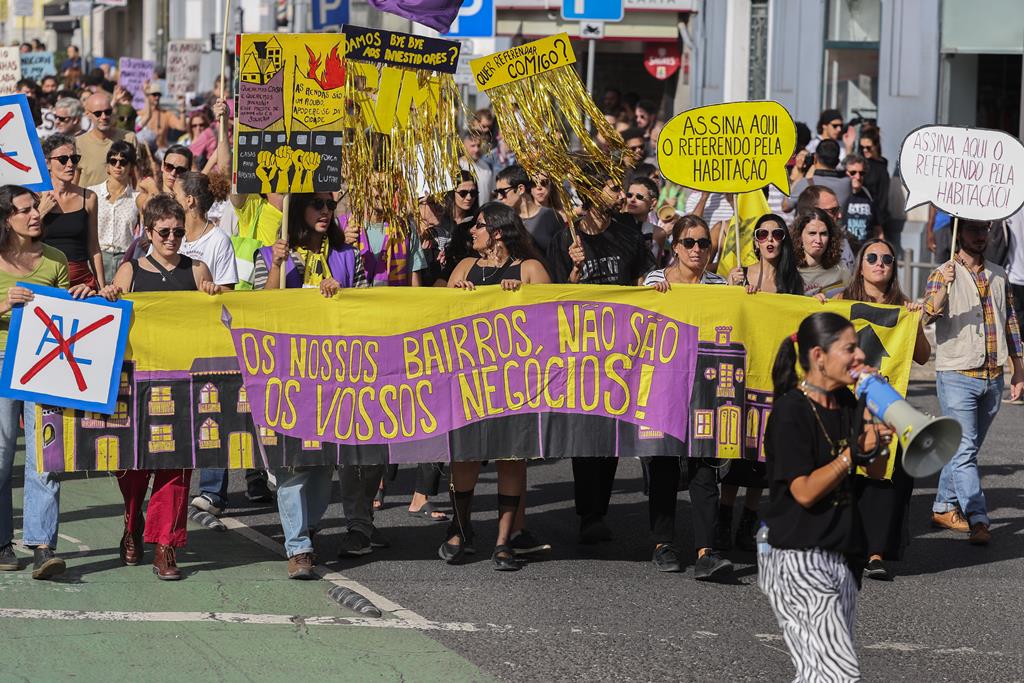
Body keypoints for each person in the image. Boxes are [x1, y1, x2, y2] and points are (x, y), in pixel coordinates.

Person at [759, 311, 894, 682]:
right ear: (819, 356)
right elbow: (802, 491)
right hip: (798, 556)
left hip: (843, 552)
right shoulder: (790, 411)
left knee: (819, 671)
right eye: (849, 349)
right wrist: (853, 451)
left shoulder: (848, 404)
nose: (860, 357)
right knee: (837, 673)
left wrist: (875, 423)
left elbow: (878, 472)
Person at [97, 194, 221, 581]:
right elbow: (111, 311)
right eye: (164, 231)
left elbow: (221, 315)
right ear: (147, 232)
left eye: (179, 231)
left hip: (184, 384)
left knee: (176, 467)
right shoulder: (131, 270)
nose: (172, 238)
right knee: (134, 467)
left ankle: (165, 545)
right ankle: (133, 523)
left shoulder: (197, 268)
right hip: (139, 385)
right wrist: (110, 295)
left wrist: (216, 296)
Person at [253, 192, 366, 579]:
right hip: (285, 373)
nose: (325, 211)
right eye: (317, 204)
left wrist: (344, 297)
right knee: (290, 462)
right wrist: (278, 267)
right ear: (298, 209)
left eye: (329, 206)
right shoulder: (271, 255)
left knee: (321, 464)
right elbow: (259, 308)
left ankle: (306, 527)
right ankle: (298, 547)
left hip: (335, 374)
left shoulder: (349, 256)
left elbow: (371, 310)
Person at [440, 203, 551, 570]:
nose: (472, 231)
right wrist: (456, 296)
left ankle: (504, 540)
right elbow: (437, 317)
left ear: (499, 232)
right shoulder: (465, 267)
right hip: (469, 380)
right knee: (465, 456)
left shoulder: (530, 269)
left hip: (514, 383)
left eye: (479, 226)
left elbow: (554, 320)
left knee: (511, 456)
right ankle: (460, 528)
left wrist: (522, 296)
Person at [549, 163, 652, 545]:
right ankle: (586, 511)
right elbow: (551, 297)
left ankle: (597, 512)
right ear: (592, 192)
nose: (621, 195)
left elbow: (643, 280)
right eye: (613, 188)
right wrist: (574, 271)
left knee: (610, 434)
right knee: (584, 434)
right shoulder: (566, 239)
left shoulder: (629, 234)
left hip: (620, 352)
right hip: (579, 353)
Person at [643, 214, 736, 579]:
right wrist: (651, 295)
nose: (697, 249)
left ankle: (705, 550)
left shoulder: (718, 283)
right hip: (664, 385)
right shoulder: (656, 280)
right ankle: (663, 544)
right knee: (665, 464)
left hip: (706, 385)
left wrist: (742, 293)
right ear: (675, 247)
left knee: (704, 467)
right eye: (689, 243)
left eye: (704, 243)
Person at [923, 219, 1024, 545]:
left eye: (985, 230)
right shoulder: (943, 272)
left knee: (965, 449)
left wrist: (1018, 369)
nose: (981, 236)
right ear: (960, 233)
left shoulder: (999, 273)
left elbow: (1010, 322)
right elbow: (925, 315)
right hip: (957, 375)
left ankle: (942, 505)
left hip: (992, 377)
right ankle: (979, 518)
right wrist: (942, 290)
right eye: (973, 230)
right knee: (965, 451)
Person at [837, 238, 931, 580]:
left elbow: (921, 355)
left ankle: (875, 553)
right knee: (846, 475)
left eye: (887, 259)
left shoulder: (904, 306)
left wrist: (915, 321)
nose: (879, 263)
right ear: (860, 264)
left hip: (887, 407)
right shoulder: (840, 302)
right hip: (846, 402)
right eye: (872, 257)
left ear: (893, 268)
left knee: (883, 477)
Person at [720, 213, 807, 552]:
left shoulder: (793, 281)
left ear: (784, 240)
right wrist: (734, 289)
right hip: (746, 373)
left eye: (776, 234)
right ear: (754, 241)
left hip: (778, 377)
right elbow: (728, 316)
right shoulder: (740, 276)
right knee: (738, 449)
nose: (769, 240)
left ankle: (748, 522)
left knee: (762, 454)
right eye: (762, 234)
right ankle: (723, 518)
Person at [39, 134, 104, 288]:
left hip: (81, 280)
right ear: (47, 163)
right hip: (46, 279)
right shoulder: (36, 198)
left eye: (74, 159)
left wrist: (102, 286)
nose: (70, 164)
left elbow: (94, 247)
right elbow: (21, 240)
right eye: (63, 159)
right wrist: (40, 212)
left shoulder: (88, 197)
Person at [89, 140, 139, 283]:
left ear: (130, 167)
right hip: (95, 257)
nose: (118, 165)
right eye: (113, 161)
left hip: (125, 260)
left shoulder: (137, 198)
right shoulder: (92, 193)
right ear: (108, 166)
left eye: (123, 162)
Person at [494, 165, 563, 255]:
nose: (499, 197)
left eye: (502, 192)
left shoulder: (550, 216)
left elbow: (564, 254)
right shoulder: (506, 222)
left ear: (520, 189)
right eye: (497, 192)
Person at [76, 92, 137, 188]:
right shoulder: (78, 143)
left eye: (107, 112)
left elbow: (136, 177)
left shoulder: (129, 138)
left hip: (121, 201)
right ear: (88, 114)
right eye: (98, 113)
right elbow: (74, 184)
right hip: (88, 201)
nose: (103, 117)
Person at [793, 208, 849, 298]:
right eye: (812, 233)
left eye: (823, 234)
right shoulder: (790, 270)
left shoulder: (840, 267)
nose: (818, 240)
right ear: (800, 237)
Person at [787, 139, 851, 213]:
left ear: (815, 158)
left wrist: (799, 175)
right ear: (838, 161)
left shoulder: (805, 184)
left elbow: (786, 206)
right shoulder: (847, 182)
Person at [842, 153, 880, 255]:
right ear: (845, 173)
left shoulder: (870, 196)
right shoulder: (841, 195)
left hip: (864, 251)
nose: (858, 177)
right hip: (843, 251)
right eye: (853, 172)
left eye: (861, 173)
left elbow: (878, 228)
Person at [137, 143, 193, 211]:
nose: (173, 173)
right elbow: (151, 211)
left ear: (188, 172)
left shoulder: (191, 201)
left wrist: (153, 190)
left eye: (180, 170)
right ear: (162, 165)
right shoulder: (145, 196)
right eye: (169, 166)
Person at [136, 84, 186, 155]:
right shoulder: (139, 114)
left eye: (159, 95)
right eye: (154, 94)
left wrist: (182, 110)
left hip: (161, 151)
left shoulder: (166, 114)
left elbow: (182, 127)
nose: (157, 97)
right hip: (144, 152)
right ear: (148, 96)